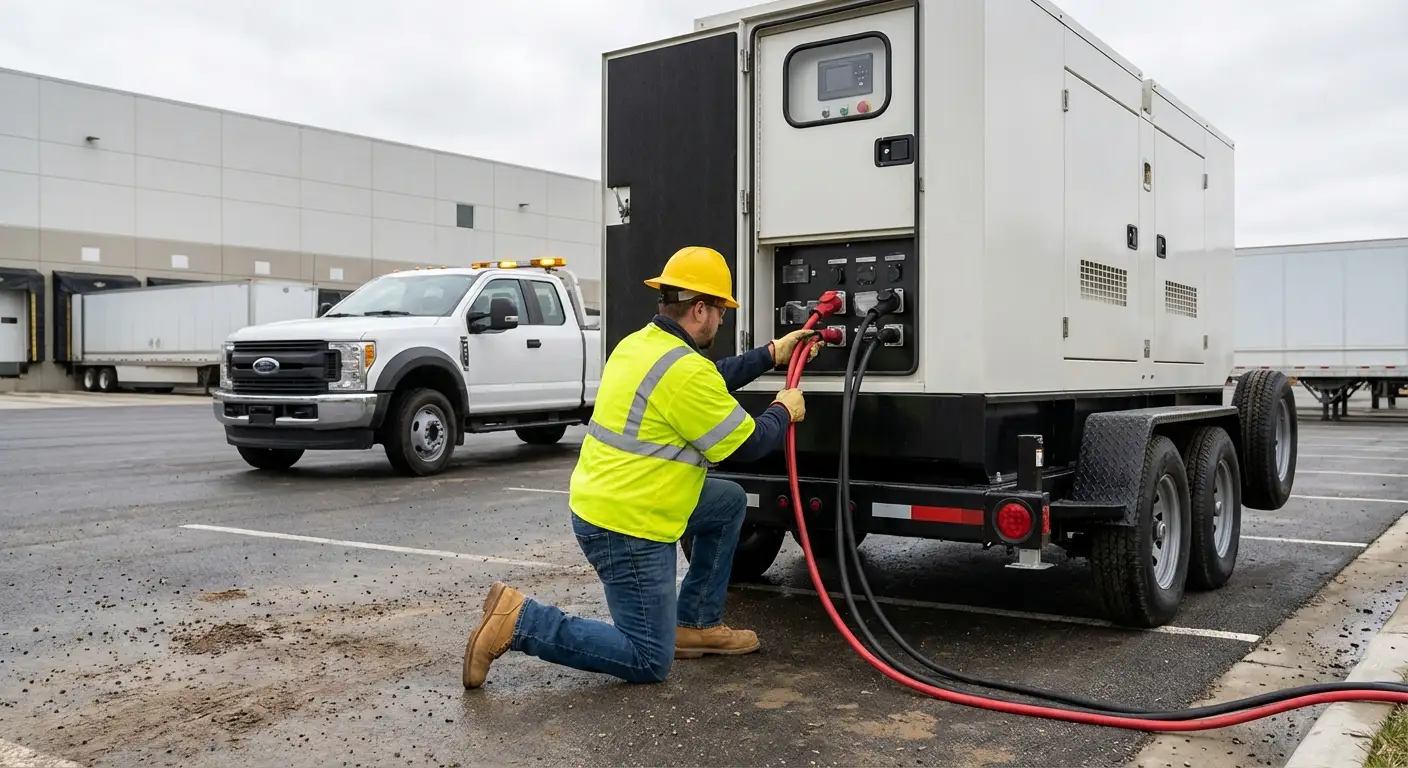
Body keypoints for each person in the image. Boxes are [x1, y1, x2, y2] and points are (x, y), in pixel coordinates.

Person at [461, 245, 817, 688]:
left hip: (608, 501)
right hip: (628, 525)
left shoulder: (642, 345)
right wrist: (784, 409)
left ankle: (698, 624)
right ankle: (522, 622)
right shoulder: (684, 370)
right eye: (721, 310)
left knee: (726, 501)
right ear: (700, 309)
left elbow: (711, 376)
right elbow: (747, 444)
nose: (723, 319)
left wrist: (770, 353)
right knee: (648, 658)